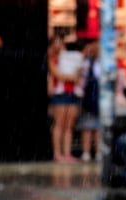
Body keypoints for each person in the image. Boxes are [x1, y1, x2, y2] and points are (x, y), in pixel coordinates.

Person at [48, 34, 83, 163]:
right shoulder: (52, 58)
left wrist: (71, 76)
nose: (59, 45)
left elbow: (78, 73)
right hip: (60, 93)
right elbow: (57, 74)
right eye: (56, 43)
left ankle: (67, 153)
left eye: (60, 42)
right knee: (59, 124)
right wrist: (71, 77)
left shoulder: (70, 57)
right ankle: (57, 153)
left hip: (72, 92)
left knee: (69, 125)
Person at [78, 40, 100, 162]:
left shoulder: (103, 64)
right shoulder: (86, 63)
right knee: (87, 126)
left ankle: (98, 152)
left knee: (98, 127)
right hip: (88, 98)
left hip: (98, 99)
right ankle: (86, 152)